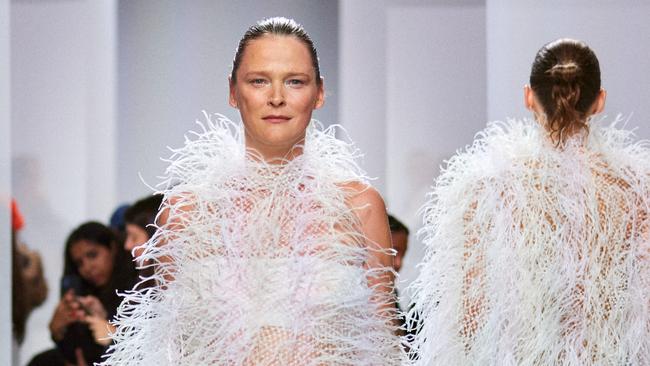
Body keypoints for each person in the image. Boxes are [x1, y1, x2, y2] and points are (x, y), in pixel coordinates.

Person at [102, 17, 403, 365]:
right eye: (259, 81)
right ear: (233, 92)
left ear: (319, 93)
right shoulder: (185, 213)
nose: (276, 98)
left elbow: (383, 345)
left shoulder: (359, 206)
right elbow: (174, 350)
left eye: (295, 81)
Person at [407, 39, 649, 365]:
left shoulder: (487, 184)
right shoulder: (636, 190)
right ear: (599, 101)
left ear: (528, 97)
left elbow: (469, 315)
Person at [29, 222, 137, 366]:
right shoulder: (83, 290)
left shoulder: (136, 283)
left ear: (112, 247)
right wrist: (57, 331)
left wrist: (110, 326)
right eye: (79, 263)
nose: (87, 267)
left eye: (92, 255)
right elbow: (76, 351)